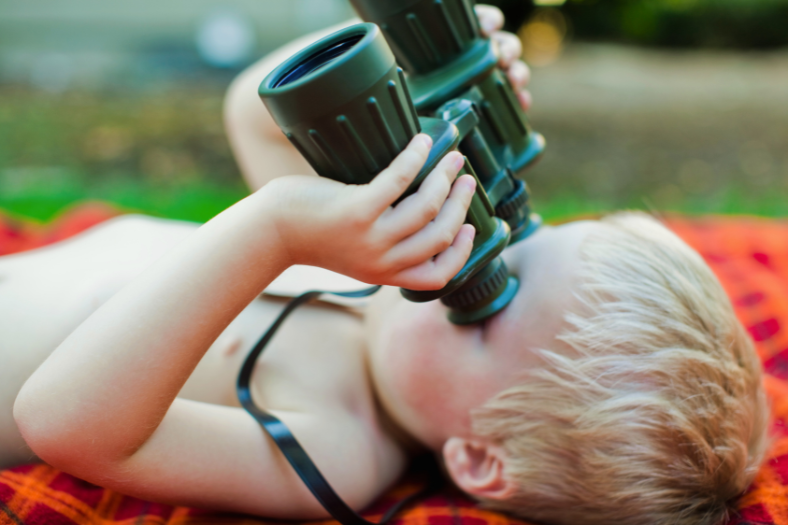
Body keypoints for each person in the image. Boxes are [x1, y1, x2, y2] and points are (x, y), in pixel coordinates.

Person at [3, 6, 767, 525]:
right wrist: (412, 59)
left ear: (476, 457)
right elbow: (251, 107)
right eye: (515, 236)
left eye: (488, 298)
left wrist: (274, 230)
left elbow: (64, 423)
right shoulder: (372, 269)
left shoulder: (340, 447)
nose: (475, 249)